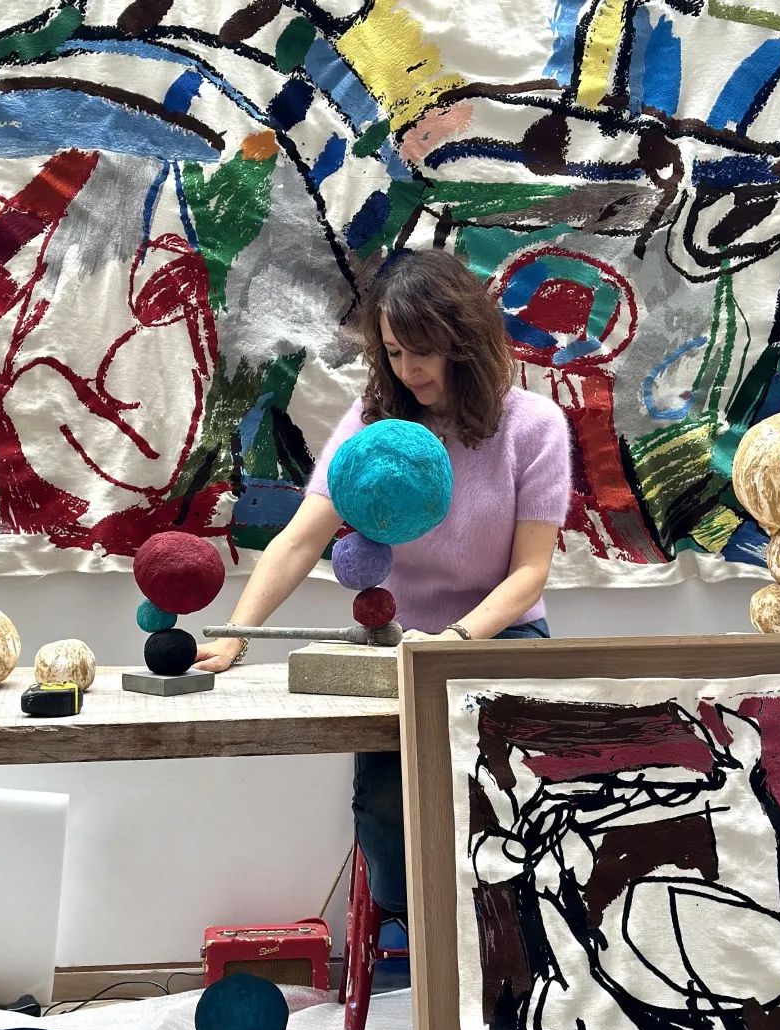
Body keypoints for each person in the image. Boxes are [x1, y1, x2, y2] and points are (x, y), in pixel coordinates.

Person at [195, 248, 572, 914]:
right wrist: (235, 636)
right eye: (394, 352)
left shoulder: (533, 427)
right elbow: (300, 540)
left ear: (463, 339)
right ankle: (418, 930)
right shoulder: (374, 425)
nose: (408, 370)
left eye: (422, 351)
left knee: (512, 804)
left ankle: (508, 930)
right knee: (387, 805)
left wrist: (455, 642)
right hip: (401, 649)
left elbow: (529, 573)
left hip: (501, 639)